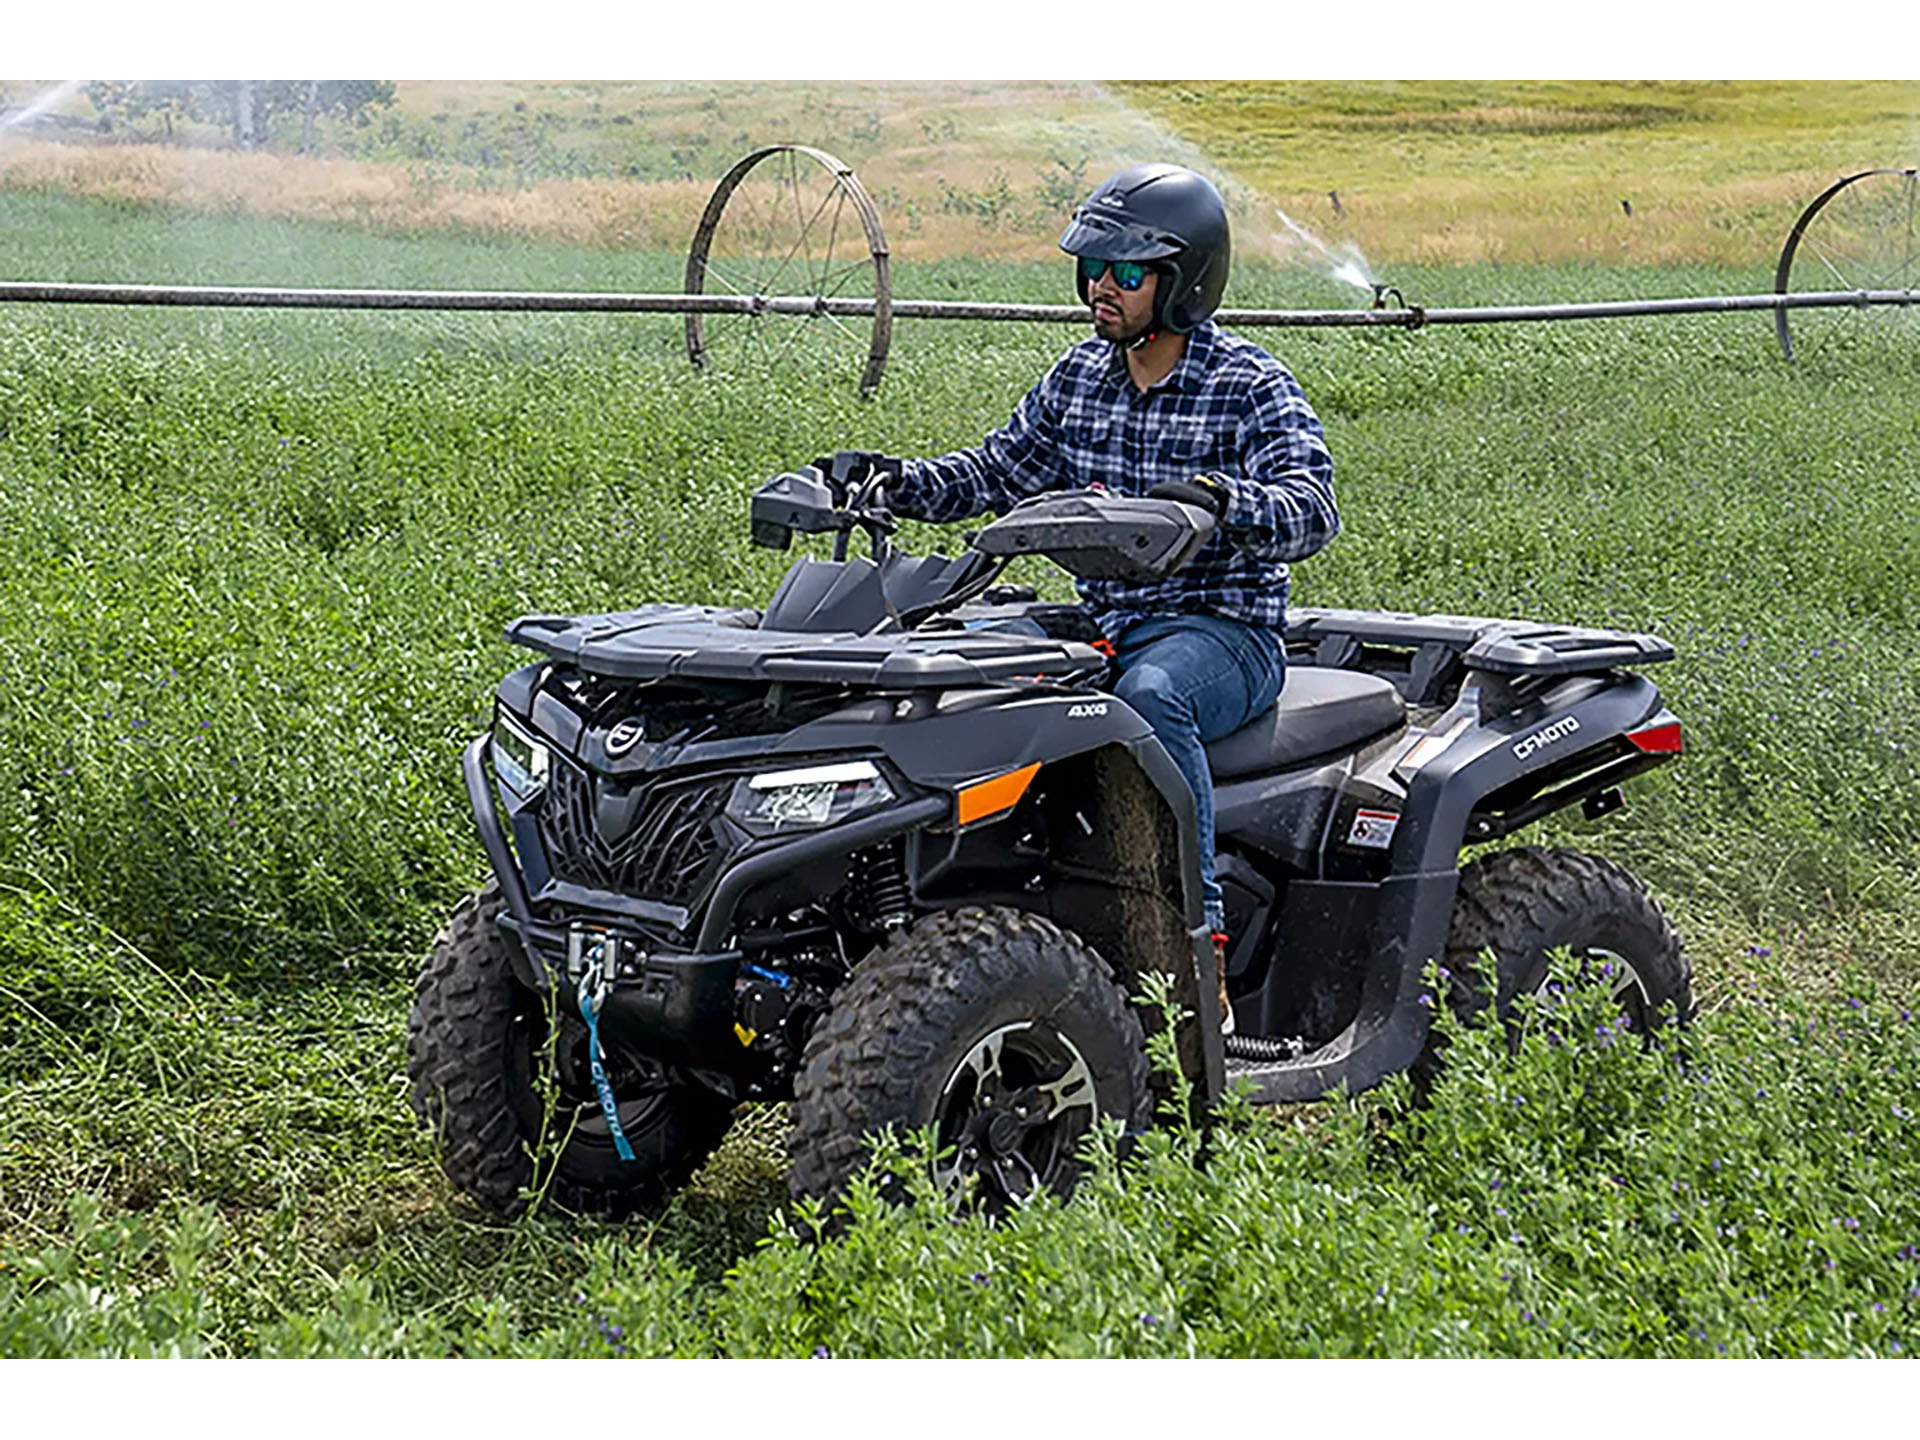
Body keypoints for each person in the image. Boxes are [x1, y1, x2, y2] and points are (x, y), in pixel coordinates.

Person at [886, 162, 1340, 1033]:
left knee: (1148, 701)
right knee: (964, 671)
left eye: (1127, 273)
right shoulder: (1078, 379)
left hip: (1220, 636)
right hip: (1102, 625)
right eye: (1094, 267)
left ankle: (1191, 942)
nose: (1103, 287)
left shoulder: (1249, 385)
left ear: (1182, 282)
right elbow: (994, 473)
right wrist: (893, 483)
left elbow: (1312, 509)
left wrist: (1222, 504)